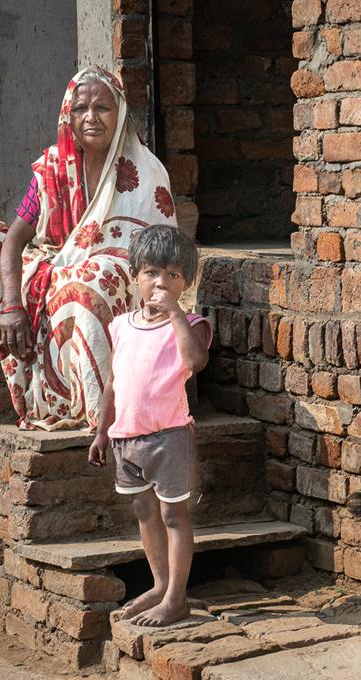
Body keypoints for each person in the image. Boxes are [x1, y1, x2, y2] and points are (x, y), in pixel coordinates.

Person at [0, 66, 178, 430]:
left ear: (119, 113)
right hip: (58, 264)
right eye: (80, 109)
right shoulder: (54, 168)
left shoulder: (147, 171)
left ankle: (100, 416)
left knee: (89, 287)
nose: (90, 118)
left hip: (124, 278)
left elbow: (162, 256)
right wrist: (11, 306)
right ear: (67, 115)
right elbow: (15, 239)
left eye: (102, 108)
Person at [88, 225, 211, 628]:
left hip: (170, 435)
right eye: (152, 273)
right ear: (135, 276)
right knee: (144, 511)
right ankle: (160, 585)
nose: (161, 283)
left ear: (186, 282)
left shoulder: (191, 323)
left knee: (175, 516)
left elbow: (194, 363)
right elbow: (113, 382)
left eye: (173, 275)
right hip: (126, 437)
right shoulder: (121, 325)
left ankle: (177, 597)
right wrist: (102, 431)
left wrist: (175, 312)